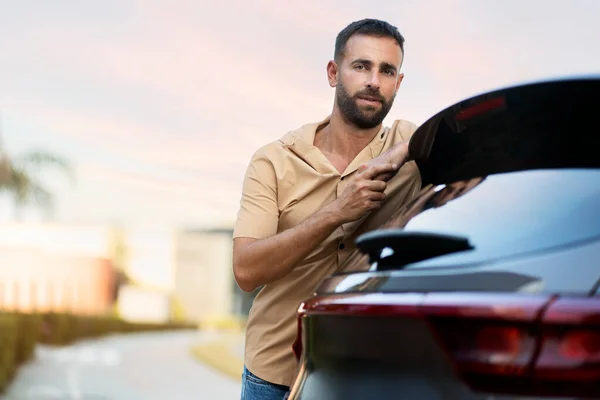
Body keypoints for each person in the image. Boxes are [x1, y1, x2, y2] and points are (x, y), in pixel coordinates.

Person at [233, 18, 423, 400]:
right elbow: (246, 270)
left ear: (398, 83)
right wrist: (337, 211)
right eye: (361, 66)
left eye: (387, 71)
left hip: (369, 377)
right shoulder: (273, 161)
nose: (374, 80)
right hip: (276, 377)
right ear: (334, 73)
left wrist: (406, 151)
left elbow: (474, 151)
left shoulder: (412, 146)